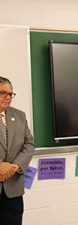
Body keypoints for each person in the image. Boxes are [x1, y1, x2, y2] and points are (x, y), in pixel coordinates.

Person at [0, 76, 35, 225]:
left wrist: (14, 167)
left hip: (13, 189)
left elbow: (29, 145)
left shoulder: (19, 116)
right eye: (3, 93)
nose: (8, 97)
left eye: (10, 94)